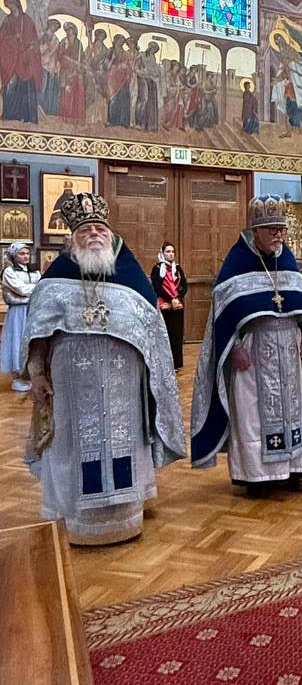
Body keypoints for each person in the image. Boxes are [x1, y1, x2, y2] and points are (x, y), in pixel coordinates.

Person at [21, 192, 185, 545]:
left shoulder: (130, 276)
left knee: (123, 440)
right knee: (76, 444)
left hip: (124, 382)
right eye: (85, 230)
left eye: (100, 229)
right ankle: (80, 521)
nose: (94, 234)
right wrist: (36, 374)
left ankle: (125, 517)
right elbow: (37, 335)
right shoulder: (56, 279)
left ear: (111, 235)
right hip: (71, 385)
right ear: (73, 239)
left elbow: (153, 333)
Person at [191, 196, 302, 497]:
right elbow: (224, 313)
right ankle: (257, 476)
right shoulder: (237, 262)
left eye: (281, 229)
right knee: (253, 414)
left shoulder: (286, 259)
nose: (278, 235)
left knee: (292, 408)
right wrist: (234, 346)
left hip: (288, 348)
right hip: (253, 351)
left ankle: (293, 470)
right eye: (271, 229)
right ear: (255, 230)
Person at [1, 241, 39, 392]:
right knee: (17, 341)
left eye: (27, 253)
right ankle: (18, 377)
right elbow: (22, 289)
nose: (25, 256)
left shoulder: (34, 272)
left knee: (31, 341)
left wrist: (33, 290)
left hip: (33, 310)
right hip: (17, 312)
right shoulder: (9, 272)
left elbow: (42, 287)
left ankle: (31, 375)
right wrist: (35, 290)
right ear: (14, 256)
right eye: (21, 253)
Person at [151, 242, 188, 370]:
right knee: (165, 335)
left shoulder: (178, 269)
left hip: (177, 305)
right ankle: (164, 364)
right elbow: (157, 287)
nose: (171, 254)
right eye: (168, 251)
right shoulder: (157, 269)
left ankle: (176, 364)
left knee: (176, 335)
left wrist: (177, 298)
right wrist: (170, 299)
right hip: (164, 306)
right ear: (162, 253)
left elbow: (184, 286)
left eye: (172, 251)